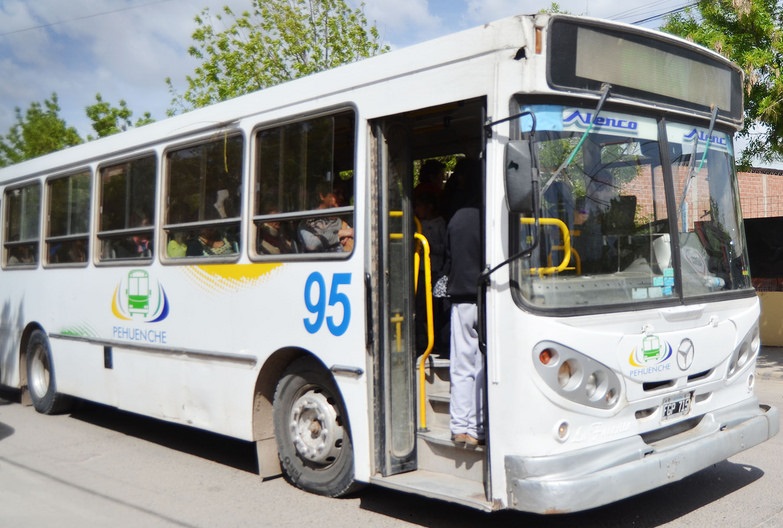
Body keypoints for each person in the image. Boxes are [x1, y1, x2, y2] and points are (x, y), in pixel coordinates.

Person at [443, 158, 484, 446]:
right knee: (483, 366)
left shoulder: (456, 218)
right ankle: (479, 428)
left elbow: (448, 260)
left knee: (461, 364)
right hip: (488, 299)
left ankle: (460, 428)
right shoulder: (491, 216)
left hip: (461, 300)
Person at [299, 187, 354, 253]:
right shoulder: (308, 222)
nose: (341, 197)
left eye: (342, 194)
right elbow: (312, 244)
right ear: (322, 196)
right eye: (336, 193)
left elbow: (352, 232)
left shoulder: (339, 220)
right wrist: (340, 234)